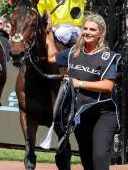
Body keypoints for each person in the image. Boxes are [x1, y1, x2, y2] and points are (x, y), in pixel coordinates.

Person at [47, 13, 120, 170]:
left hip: (104, 114)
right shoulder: (74, 51)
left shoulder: (107, 56)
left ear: (101, 32)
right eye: (85, 28)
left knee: (99, 158)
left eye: (92, 29)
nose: (87, 32)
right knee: (87, 159)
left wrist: (78, 83)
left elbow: (108, 86)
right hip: (80, 113)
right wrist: (49, 32)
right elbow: (52, 58)